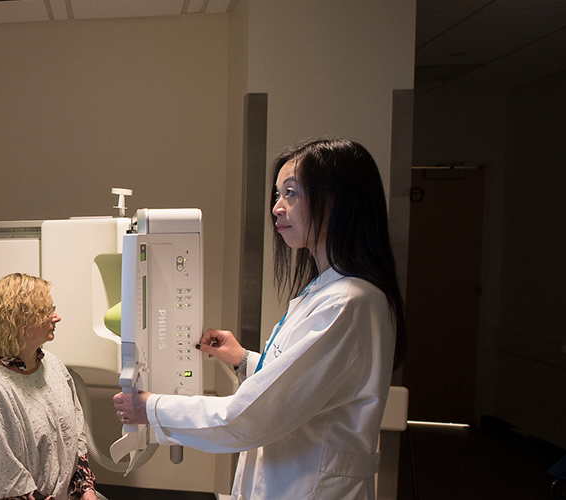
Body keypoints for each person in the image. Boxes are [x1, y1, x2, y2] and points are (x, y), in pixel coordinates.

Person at [112, 137, 407, 499]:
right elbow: (304, 386)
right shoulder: (326, 292)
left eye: (291, 193)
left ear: (338, 199)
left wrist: (151, 407)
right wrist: (243, 359)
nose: (277, 208)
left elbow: (253, 417)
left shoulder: (347, 302)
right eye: (277, 195)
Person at [0, 273, 99, 500]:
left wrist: (85, 489)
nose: (57, 317)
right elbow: (4, 479)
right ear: (19, 321)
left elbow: (77, 437)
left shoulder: (54, 367)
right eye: (46, 312)